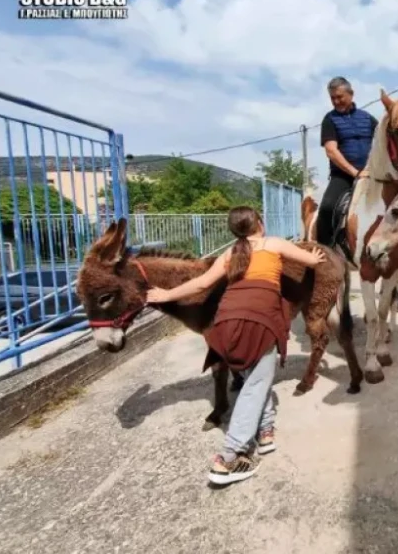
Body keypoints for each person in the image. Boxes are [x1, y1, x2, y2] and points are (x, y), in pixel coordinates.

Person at [146, 206, 326, 486]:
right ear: (261, 225)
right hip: (260, 323)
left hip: (225, 326)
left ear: (234, 232)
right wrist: (314, 255)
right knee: (254, 386)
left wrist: (165, 293)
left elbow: (201, 283)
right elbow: (310, 261)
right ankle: (229, 457)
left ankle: (265, 432)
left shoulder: (230, 254)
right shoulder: (273, 243)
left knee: (256, 377)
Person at [316, 76, 379, 247]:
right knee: (327, 208)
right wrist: (355, 173)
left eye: (340, 97)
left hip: (371, 175)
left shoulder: (368, 119)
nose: (336, 101)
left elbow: (383, 143)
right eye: (332, 98)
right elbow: (331, 151)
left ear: (351, 94)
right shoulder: (329, 119)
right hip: (343, 177)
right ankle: (325, 252)